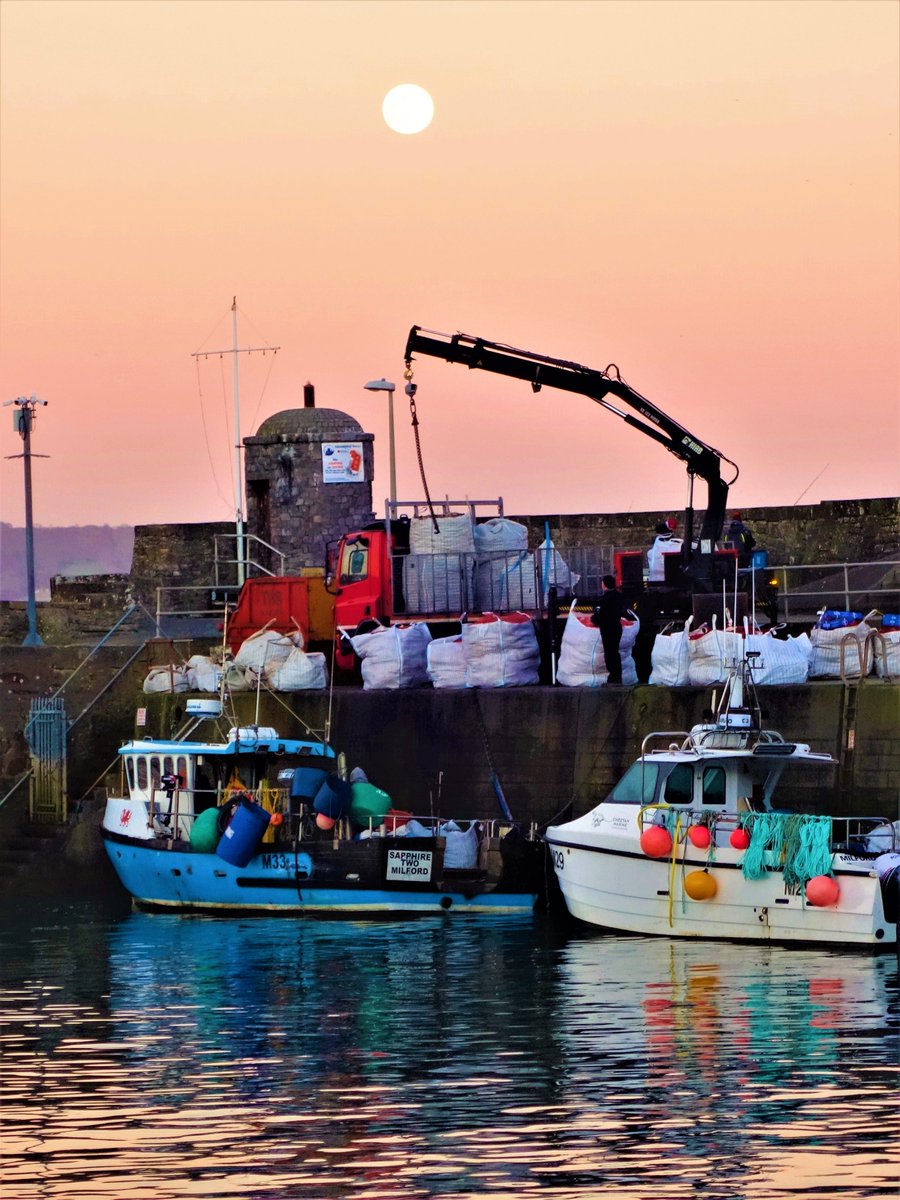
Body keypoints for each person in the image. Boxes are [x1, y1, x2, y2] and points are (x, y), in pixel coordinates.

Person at [591, 574, 630, 685]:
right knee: (615, 652)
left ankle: (613, 677)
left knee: (609, 653)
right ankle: (617, 677)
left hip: (608, 629)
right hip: (616, 628)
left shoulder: (606, 598)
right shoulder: (619, 596)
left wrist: (593, 619)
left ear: (605, 585)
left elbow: (602, 614)